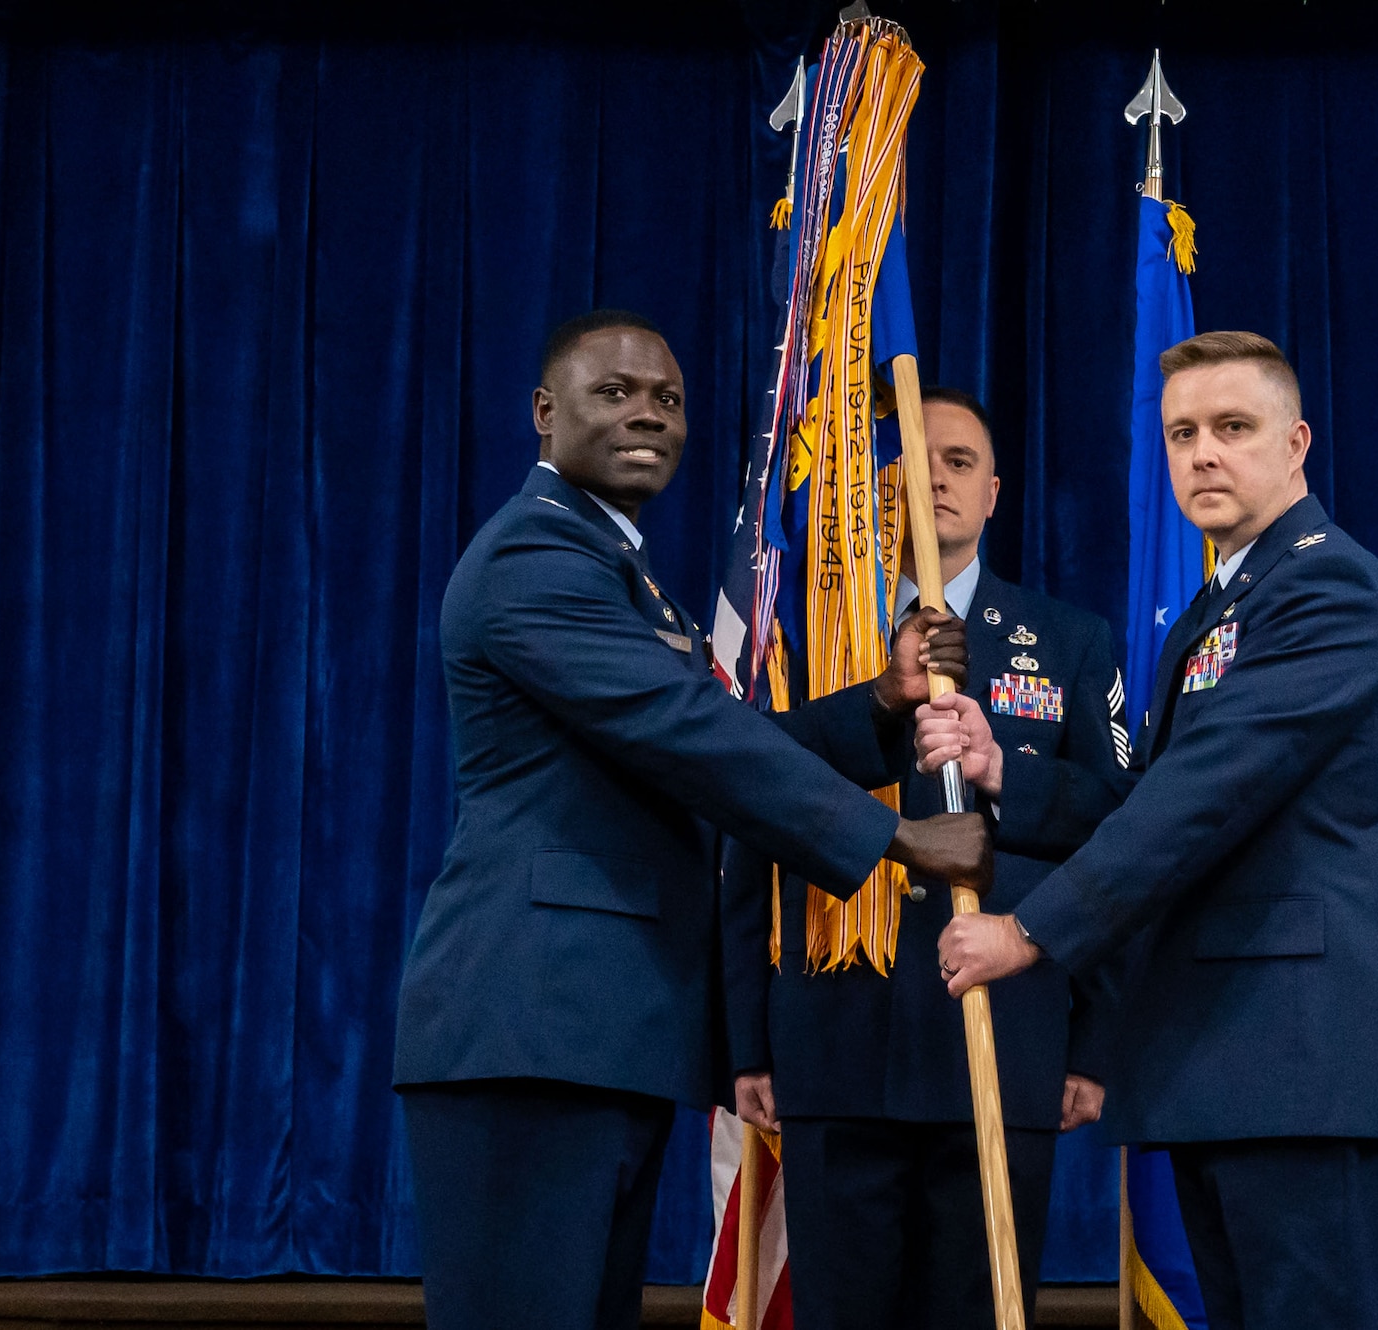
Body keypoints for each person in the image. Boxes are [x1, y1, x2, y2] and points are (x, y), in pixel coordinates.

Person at [392, 310, 992, 1330]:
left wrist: (883, 703)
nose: (648, 416)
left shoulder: (616, 571)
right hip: (529, 1028)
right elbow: (683, 732)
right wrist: (893, 838)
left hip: (593, 1033)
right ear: (544, 413)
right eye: (614, 392)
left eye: (666, 400)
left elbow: (711, 736)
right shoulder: (533, 559)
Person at [927, 332, 1378, 1330]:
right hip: (1229, 1061)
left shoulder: (1324, 588)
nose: (1202, 452)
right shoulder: (1219, 604)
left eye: (1231, 428)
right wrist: (1010, 776)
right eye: (1181, 433)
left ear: (1294, 443)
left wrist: (1028, 931)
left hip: (1307, 1060)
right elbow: (1153, 795)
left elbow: (1207, 791)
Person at [719, 387, 1131, 1330]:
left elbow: (1119, 833)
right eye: (907, 462)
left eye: (957, 462)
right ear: (870, 493)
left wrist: (1093, 1043)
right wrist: (746, 1041)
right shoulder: (808, 637)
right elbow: (747, 821)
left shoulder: (1069, 641)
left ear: (993, 492)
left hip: (1007, 1033)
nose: (932, 480)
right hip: (833, 1037)